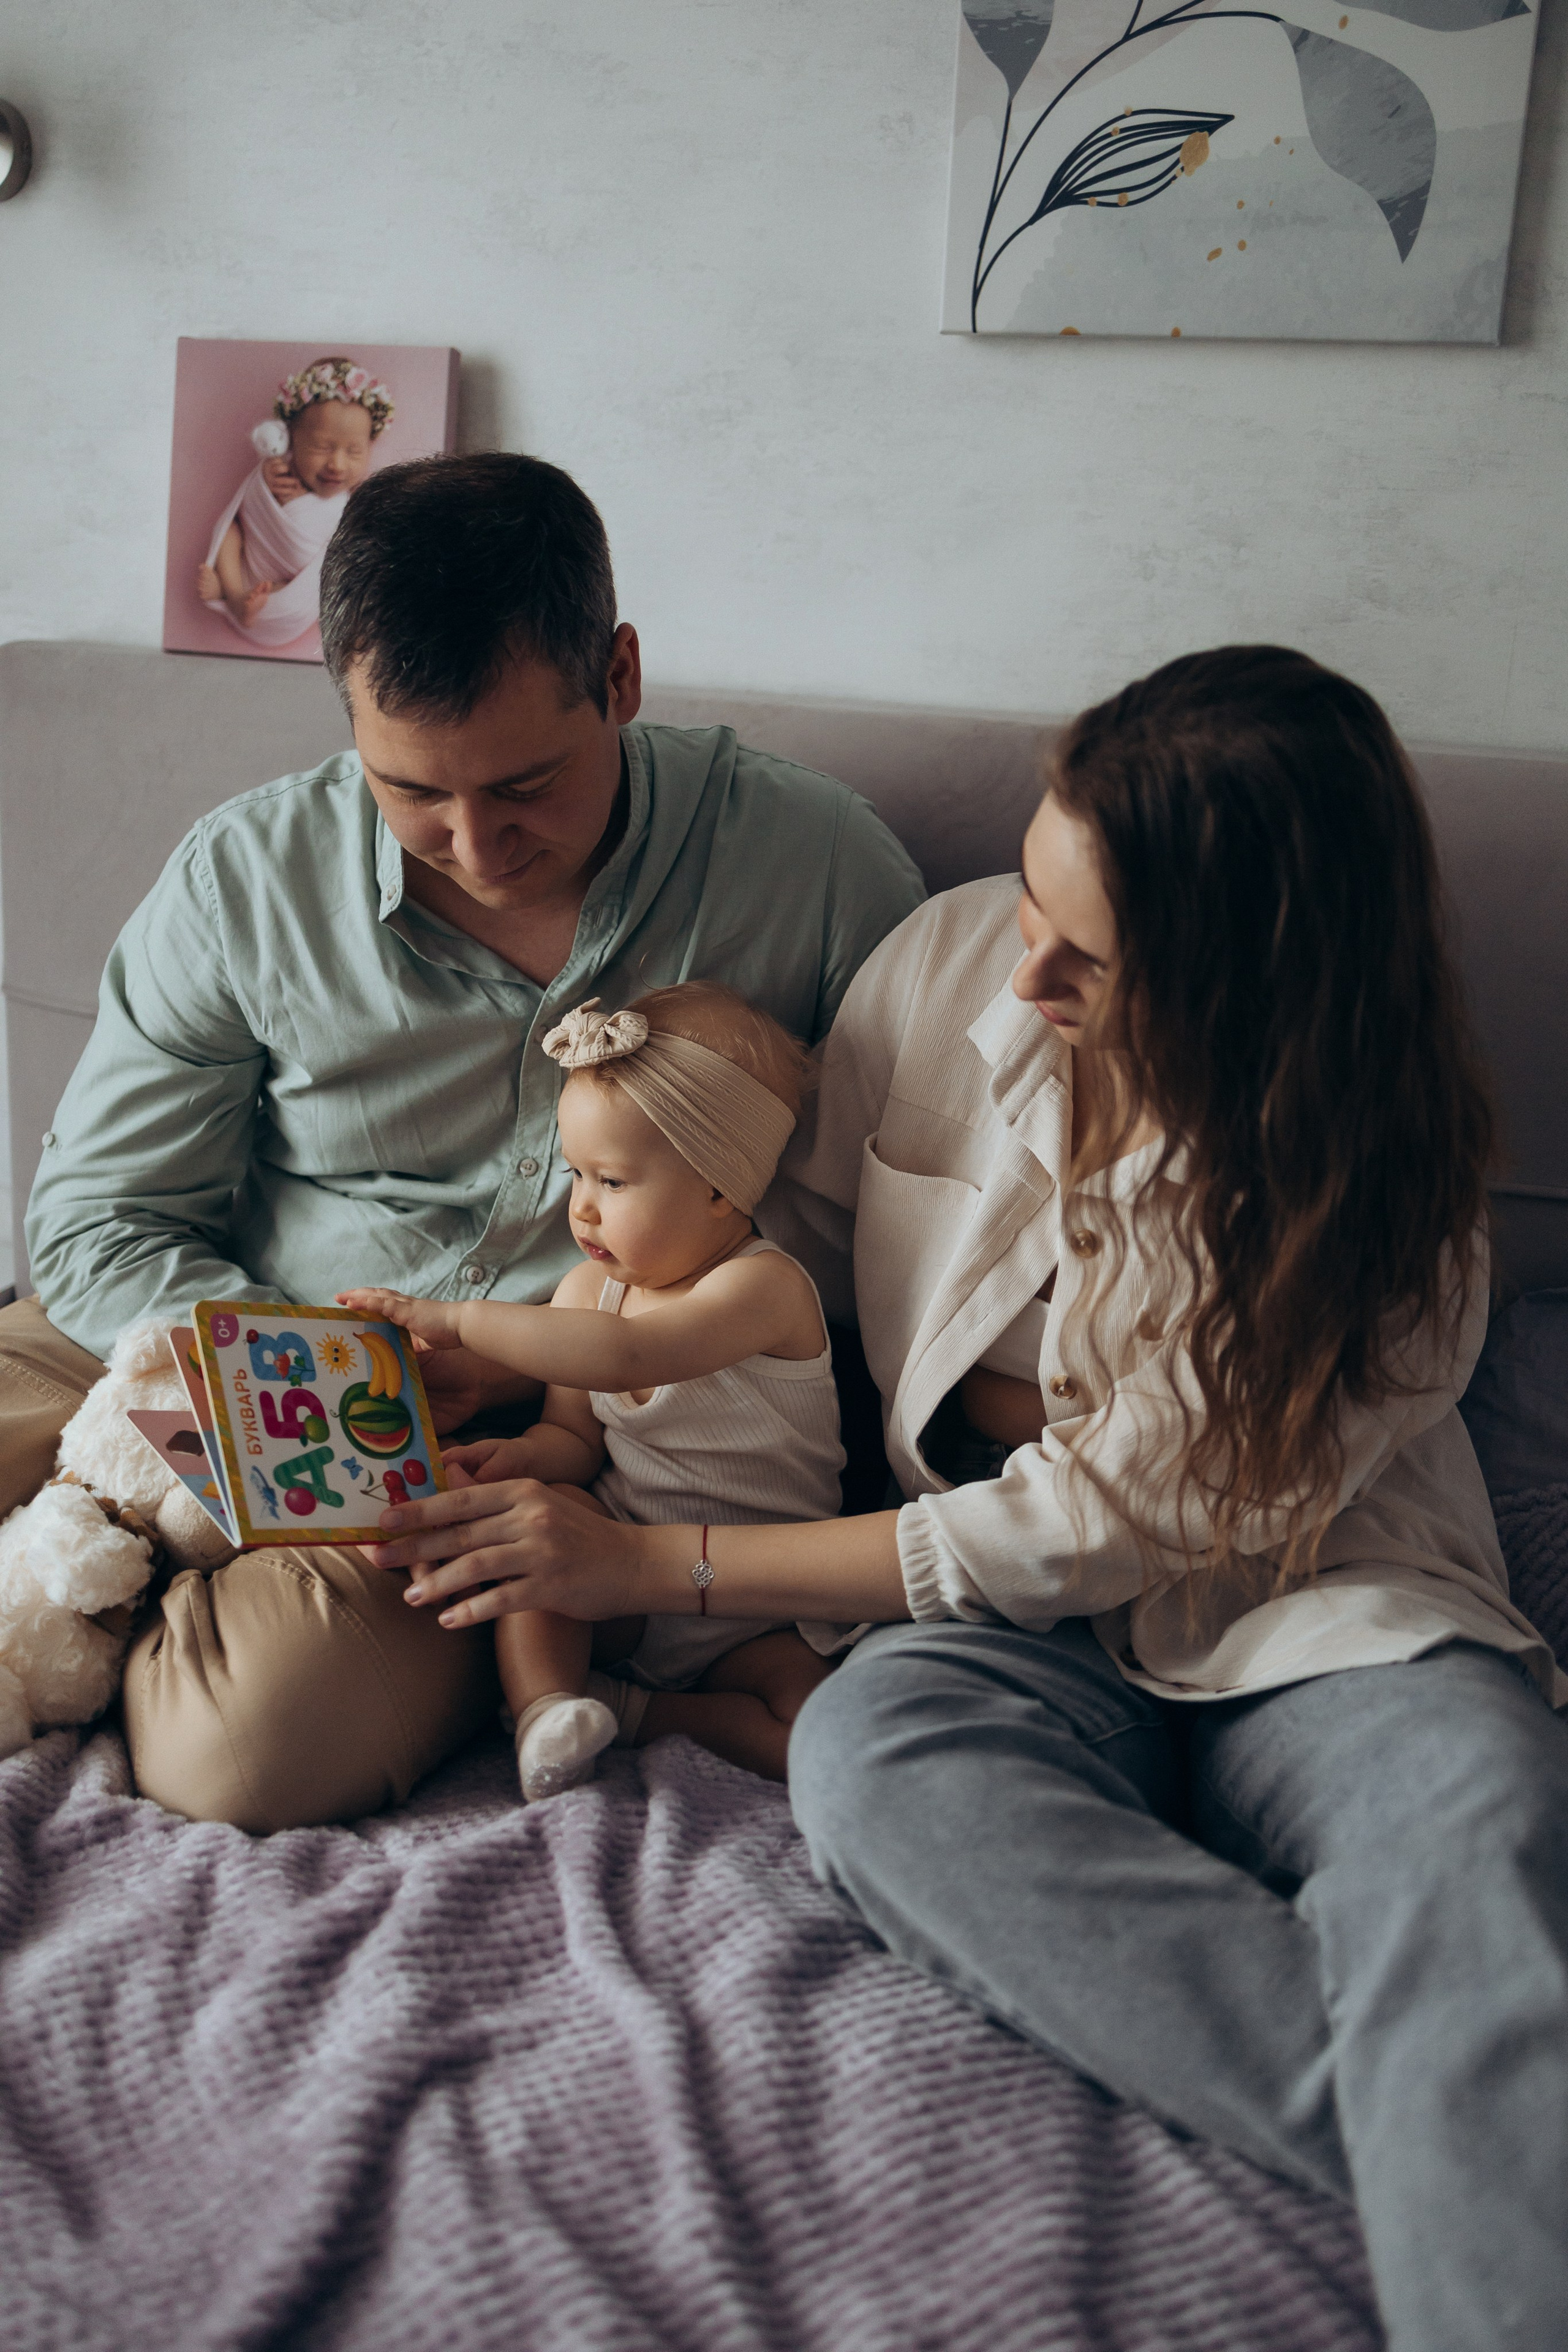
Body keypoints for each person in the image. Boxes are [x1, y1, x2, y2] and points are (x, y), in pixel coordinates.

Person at [372, 647, 1568, 2352]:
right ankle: (1470, 2150)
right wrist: (535, 1383)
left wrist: (658, 1559)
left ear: (1255, 988)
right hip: (991, 1627)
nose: (1028, 969)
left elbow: (1093, 1523)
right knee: (871, 1768)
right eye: (1032, 896)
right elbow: (749, 1258)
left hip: (1318, 1608)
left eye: (1093, 956)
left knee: (1483, 1817)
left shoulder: (1394, 1225)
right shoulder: (945, 973)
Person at [12, 451, 924, 1832]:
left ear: (618, 677)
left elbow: (894, 1258)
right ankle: (122, 1545)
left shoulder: (817, 872)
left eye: (523, 787)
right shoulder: (247, 877)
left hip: (517, 1448)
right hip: (194, 1329)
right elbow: (95, 1226)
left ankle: (127, 1574)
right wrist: (305, 1365)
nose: (473, 845)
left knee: (240, 1753)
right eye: (408, 793)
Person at [340, 981, 849, 1801]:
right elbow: (575, 1439)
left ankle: (635, 1711)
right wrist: (510, 1461)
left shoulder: (763, 1292)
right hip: (613, 1573)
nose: (581, 1208)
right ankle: (544, 1710)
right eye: (577, 1174)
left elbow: (626, 1357)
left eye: (612, 1182)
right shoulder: (587, 1292)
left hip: (758, 1602)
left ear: (723, 1188)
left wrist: (461, 1321)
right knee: (535, 1569)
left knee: (818, 1728)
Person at [197, 355, 393, 645]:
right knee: (229, 530)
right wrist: (265, 480)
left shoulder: (356, 498)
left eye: (354, 452)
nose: (337, 464)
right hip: (249, 573)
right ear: (291, 439)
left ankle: (237, 597)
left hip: (292, 592)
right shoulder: (281, 473)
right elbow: (248, 508)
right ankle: (234, 592)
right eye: (321, 447)